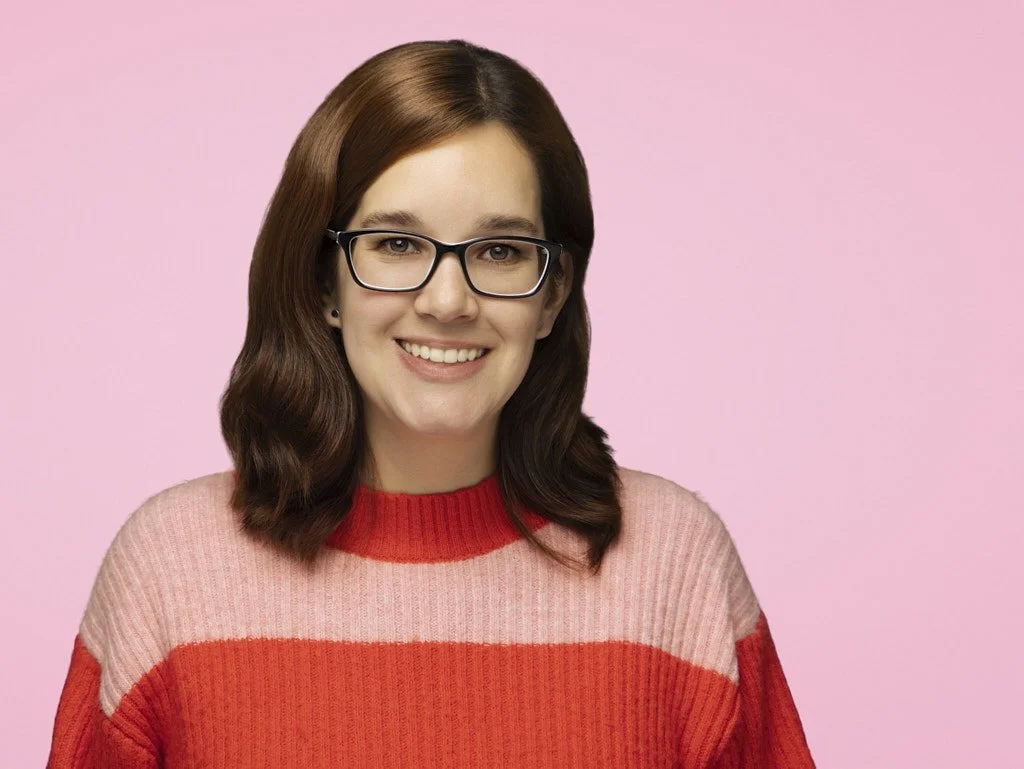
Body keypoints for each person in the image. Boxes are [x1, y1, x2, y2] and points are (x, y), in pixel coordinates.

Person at [46, 39, 816, 768]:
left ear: (552, 297)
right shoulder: (169, 573)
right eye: (397, 244)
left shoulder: (677, 570)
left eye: (502, 251)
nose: (448, 301)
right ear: (324, 282)